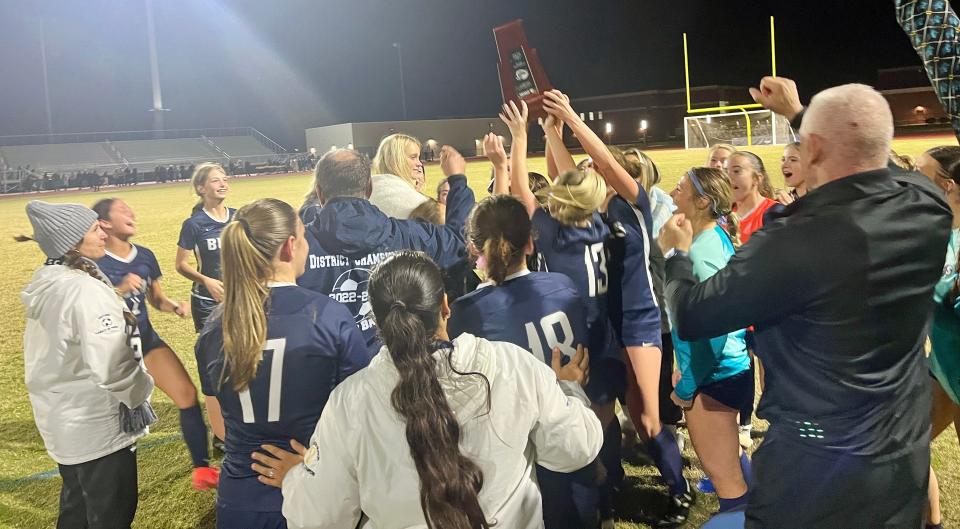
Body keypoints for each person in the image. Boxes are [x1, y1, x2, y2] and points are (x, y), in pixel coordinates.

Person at [662, 79, 952, 528]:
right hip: (901, 444)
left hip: (816, 459)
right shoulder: (927, 203)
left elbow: (694, 314)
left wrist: (676, 256)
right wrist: (799, 114)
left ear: (812, 147)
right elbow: (891, 168)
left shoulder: (794, 237)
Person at [254, 251, 602, 529]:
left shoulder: (351, 401)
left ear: (377, 321)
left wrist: (299, 479)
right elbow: (575, 449)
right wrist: (569, 388)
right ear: (445, 307)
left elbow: (321, 518)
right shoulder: (513, 365)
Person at [540, 92, 691, 527]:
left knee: (645, 417)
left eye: (602, 169)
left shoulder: (635, 207)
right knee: (599, 414)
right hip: (603, 325)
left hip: (640, 320)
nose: (593, 170)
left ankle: (678, 492)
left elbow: (602, 162)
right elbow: (567, 175)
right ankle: (610, 484)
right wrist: (552, 131)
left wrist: (571, 116)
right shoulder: (589, 215)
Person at [194, 198, 370, 529]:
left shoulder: (215, 326)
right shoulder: (327, 316)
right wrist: (308, 462)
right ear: (289, 247)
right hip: (314, 492)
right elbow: (360, 417)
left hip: (241, 499)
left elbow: (220, 427)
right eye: (303, 238)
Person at [448, 195, 596, 529]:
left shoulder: (469, 311)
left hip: (512, 447)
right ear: (530, 243)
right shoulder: (562, 286)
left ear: (475, 249)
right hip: (568, 429)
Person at [18, 201, 155, 529]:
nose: (104, 231)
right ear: (72, 241)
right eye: (94, 228)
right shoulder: (82, 290)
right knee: (110, 516)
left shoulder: (50, 280)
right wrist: (140, 396)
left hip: (66, 422)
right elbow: (113, 365)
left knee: (77, 511)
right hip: (96, 427)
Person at [93, 198, 220, 490]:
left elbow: (155, 298)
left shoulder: (145, 256)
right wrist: (118, 291)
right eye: (123, 210)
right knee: (108, 417)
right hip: (110, 350)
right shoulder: (93, 261)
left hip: (146, 341)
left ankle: (202, 469)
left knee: (187, 395)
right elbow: (87, 307)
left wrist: (171, 305)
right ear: (105, 223)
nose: (132, 213)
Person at [297, 149, 474, 355]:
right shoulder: (404, 235)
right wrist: (458, 180)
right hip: (396, 369)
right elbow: (458, 243)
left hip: (326, 371)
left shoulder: (294, 248)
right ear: (369, 188)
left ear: (319, 192)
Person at [663, 167, 752, 515]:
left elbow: (713, 335)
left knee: (727, 483)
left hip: (713, 377)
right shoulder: (714, 237)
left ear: (702, 201)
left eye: (681, 188)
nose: (672, 193)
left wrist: (686, 387)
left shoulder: (700, 254)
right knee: (733, 461)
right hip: (725, 371)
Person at [915, 145, 960, 529]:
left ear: (947, 185)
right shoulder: (937, 231)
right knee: (908, 444)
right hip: (943, 371)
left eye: (920, 172)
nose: (913, 178)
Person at [175, 162, 234, 445]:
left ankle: (238, 418)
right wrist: (207, 281)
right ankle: (221, 434)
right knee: (216, 363)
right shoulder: (194, 224)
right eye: (215, 180)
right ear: (201, 188)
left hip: (240, 300)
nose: (222, 184)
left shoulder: (238, 217)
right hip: (207, 302)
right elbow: (181, 265)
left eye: (224, 179)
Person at [368, 133, 429, 218]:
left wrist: (415, 191)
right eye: (413, 157)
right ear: (394, 160)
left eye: (418, 158)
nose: (419, 164)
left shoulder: (367, 192)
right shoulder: (415, 203)